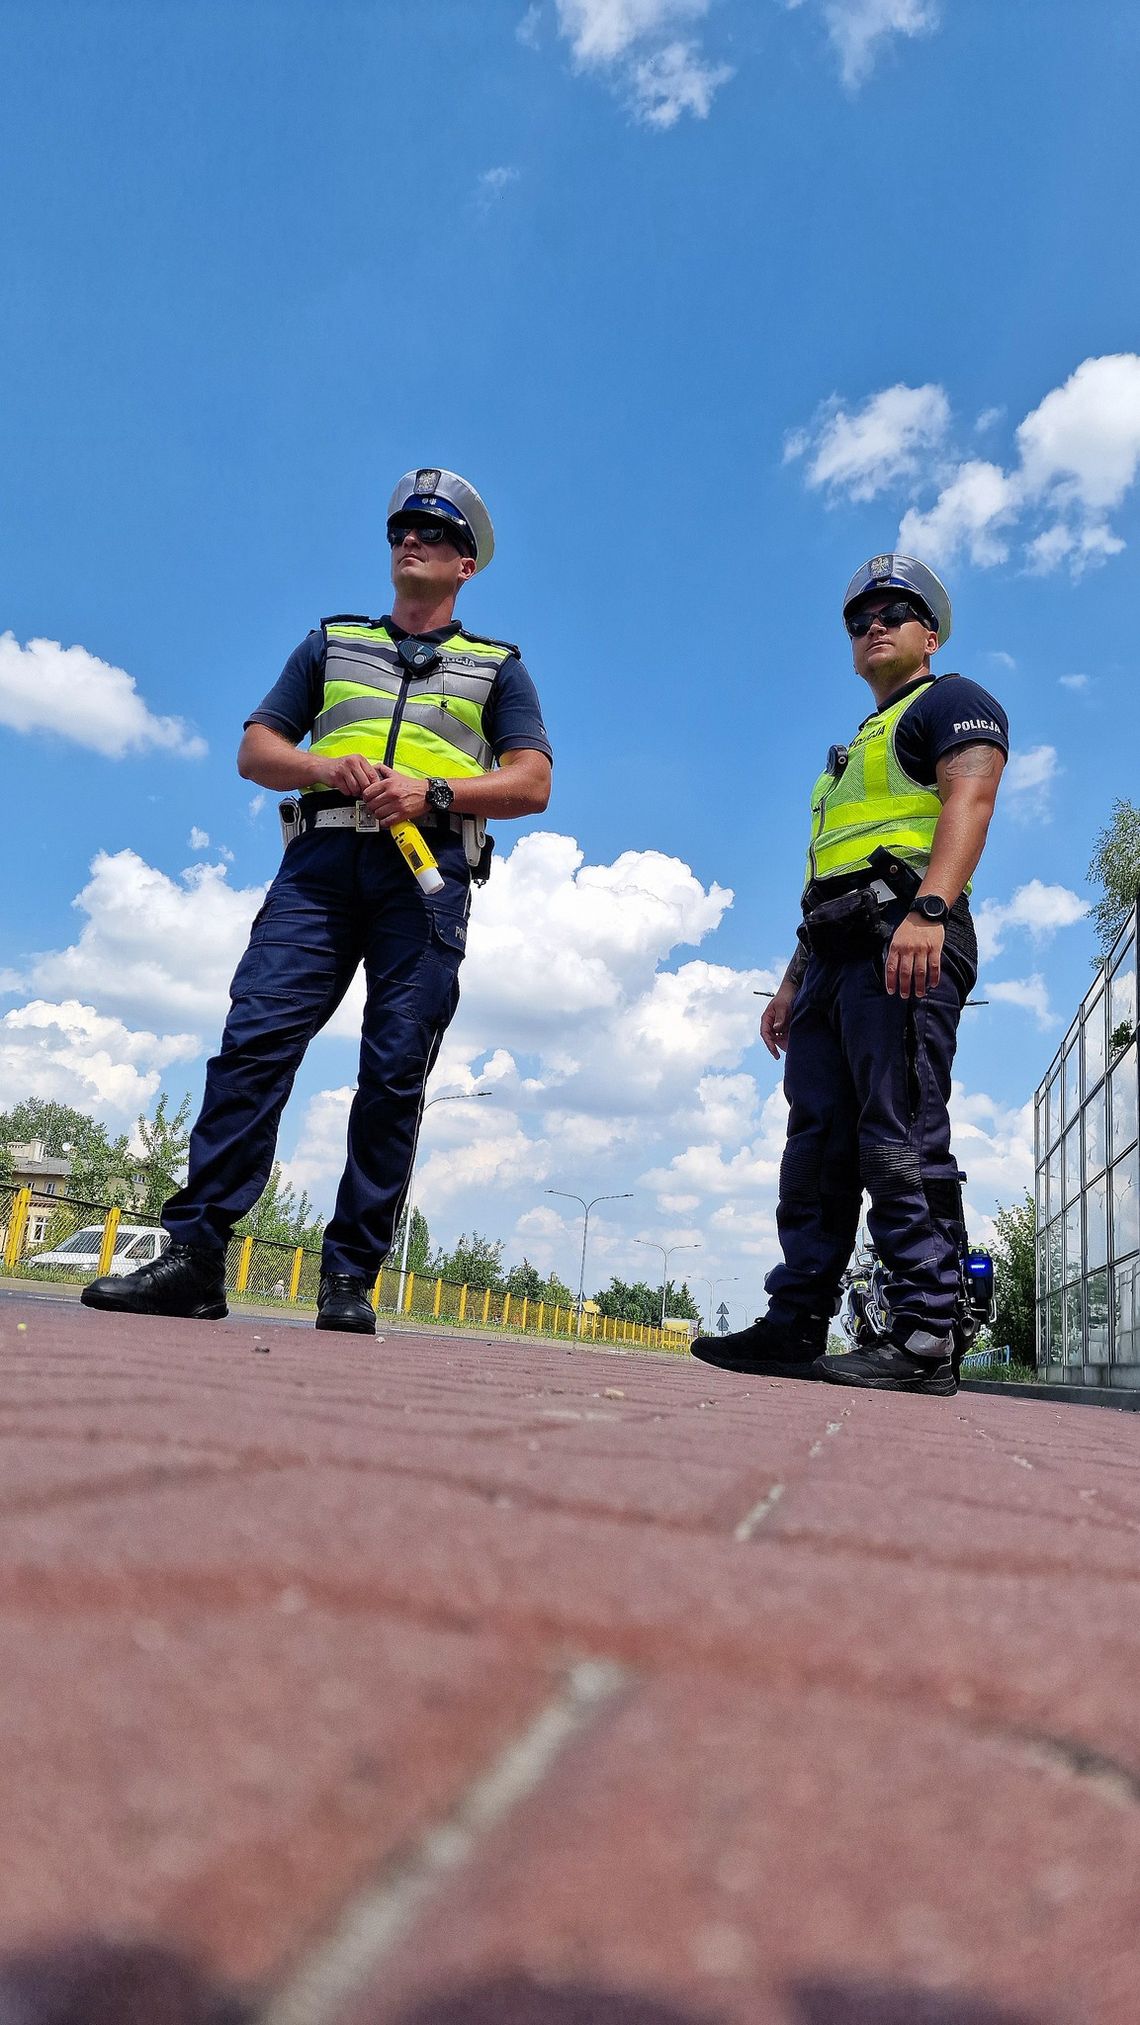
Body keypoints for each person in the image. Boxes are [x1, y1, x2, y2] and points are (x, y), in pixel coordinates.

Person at [83, 468, 552, 1333]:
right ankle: (194, 1257)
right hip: (319, 869)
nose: (411, 540)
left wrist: (432, 792)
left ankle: (349, 1279)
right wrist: (327, 766)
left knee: (392, 1073)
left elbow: (531, 783)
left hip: (425, 878)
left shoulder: (498, 667)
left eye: (433, 533)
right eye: (401, 529)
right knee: (254, 1040)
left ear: (465, 565)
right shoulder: (330, 643)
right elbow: (257, 750)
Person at [692, 554, 1007, 1396]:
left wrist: (930, 912)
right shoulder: (849, 752)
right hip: (835, 958)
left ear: (929, 634)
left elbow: (970, 802)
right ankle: (797, 1321)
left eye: (894, 612)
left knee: (897, 1135)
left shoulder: (953, 702)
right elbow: (828, 877)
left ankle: (925, 1334)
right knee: (818, 1146)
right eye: (860, 618)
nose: (873, 625)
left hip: (906, 941)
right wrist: (793, 980)